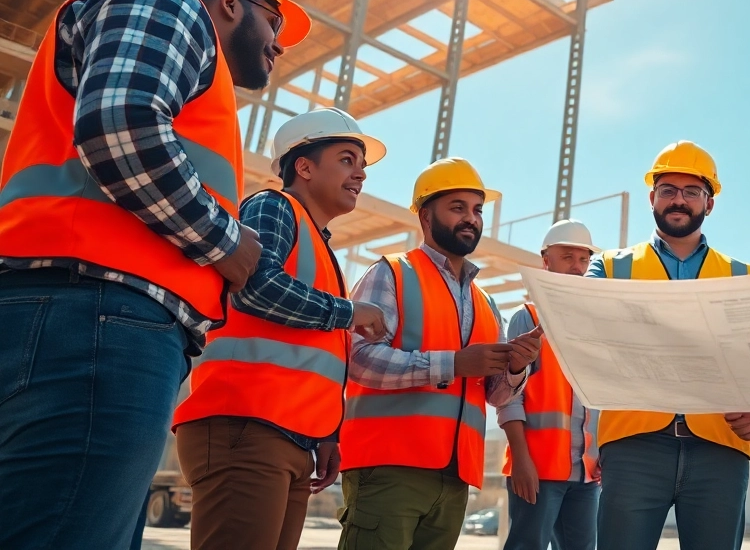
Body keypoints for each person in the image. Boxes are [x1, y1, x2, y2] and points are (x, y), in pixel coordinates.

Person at [0, 0, 309, 548]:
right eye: (273, 22)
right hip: (99, 316)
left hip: (78, 316)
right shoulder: (169, 4)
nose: (278, 44)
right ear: (228, 1)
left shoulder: (193, 67)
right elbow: (121, 124)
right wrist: (226, 244)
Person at [172, 107, 389, 550]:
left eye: (362, 165)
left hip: (289, 438)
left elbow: (314, 353)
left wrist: (326, 433)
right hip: (245, 426)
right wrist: (351, 312)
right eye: (348, 159)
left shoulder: (320, 245)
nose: (360, 174)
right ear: (304, 167)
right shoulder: (273, 205)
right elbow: (256, 287)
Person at [337, 157, 542, 550]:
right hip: (389, 466)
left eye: (477, 210)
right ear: (426, 216)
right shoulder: (391, 273)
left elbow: (496, 395)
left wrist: (516, 367)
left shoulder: (485, 302)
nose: (471, 219)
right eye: (458, 207)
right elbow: (359, 360)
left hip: (455, 475)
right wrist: (453, 363)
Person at [586, 141, 750, 550]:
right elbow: (581, 336)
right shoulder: (608, 268)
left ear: (709, 204)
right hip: (634, 444)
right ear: (652, 198)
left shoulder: (744, 275)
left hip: (720, 447)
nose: (679, 199)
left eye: (692, 192)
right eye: (668, 189)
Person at [500, 219, 604, 550]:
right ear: (546, 260)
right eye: (567, 257)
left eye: (583, 259)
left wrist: (601, 452)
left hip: (585, 475)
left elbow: (600, 400)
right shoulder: (527, 318)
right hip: (537, 470)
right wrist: (520, 460)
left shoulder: (593, 328)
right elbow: (507, 397)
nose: (577, 266)